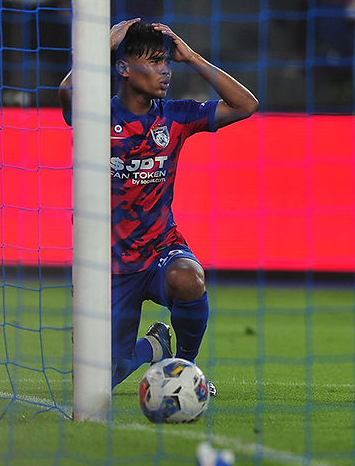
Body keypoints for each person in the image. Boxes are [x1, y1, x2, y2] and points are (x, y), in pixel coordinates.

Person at [58, 19, 259, 391]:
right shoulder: (97, 118)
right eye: (153, 61)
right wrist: (103, 46)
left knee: (188, 278)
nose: (165, 70)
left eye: (166, 61)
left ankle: (185, 369)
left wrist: (191, 56)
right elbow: (67, 92)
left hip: (160, 249)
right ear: (124, 68)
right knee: (94, 383)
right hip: (108, 264)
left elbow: (245, 105)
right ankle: (154, 347)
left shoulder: (175, 115)